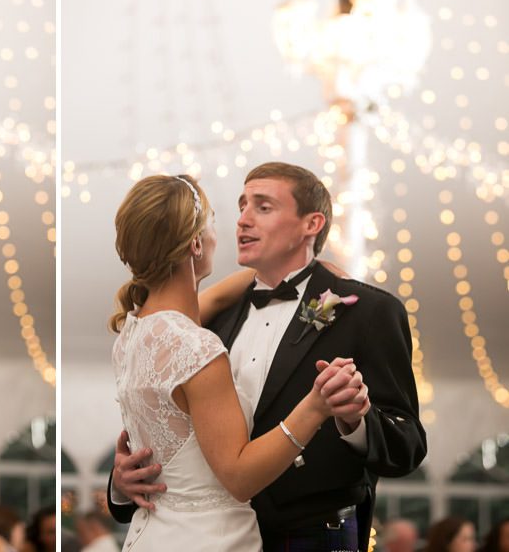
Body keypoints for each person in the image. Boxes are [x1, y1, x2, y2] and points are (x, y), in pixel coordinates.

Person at [110, 163, 427, 551]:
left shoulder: (367, 311)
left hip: (312, 537)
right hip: (216, 534)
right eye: (241, 206)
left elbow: (407, 444)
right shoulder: (204, 322)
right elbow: (170, 426)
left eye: (262, 207)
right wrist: (122, 480)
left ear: (312, 224)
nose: (242, 220)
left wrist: (356, 420)